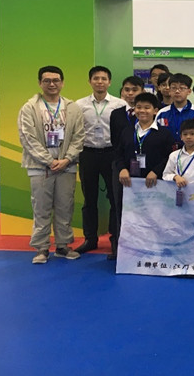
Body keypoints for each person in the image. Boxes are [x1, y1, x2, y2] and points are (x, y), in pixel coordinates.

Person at [19, 66, 85, 264]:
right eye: (47, 80)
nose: (52, 84)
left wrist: (67, 159)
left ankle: (63, 246)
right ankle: (41, 248)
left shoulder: (72, 108)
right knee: (41, 208)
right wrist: (49, 160)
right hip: (40, 167)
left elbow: (79, 136)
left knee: (65, 206)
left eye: (56, 80)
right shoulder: (29, 108)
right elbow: (27, 137)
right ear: (40, 83)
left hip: (67, 166)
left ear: (62, 83)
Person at [115, 92, 177, 259]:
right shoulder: (127, 131)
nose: (142, 111)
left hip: (155, 183)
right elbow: (118, 154)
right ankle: (129, 253)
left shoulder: (164, 133)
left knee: (155, 217)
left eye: (147, 107)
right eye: (139, 107)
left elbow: (170, 157)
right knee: (130, 217)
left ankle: (156, 251)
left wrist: (156, 171)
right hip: (130, 183)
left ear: (155, 110)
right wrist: (122, 169)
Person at [75, 66, 126, 254]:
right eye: (96, 78)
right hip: (88, 153)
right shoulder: (79, 105)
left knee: (115, 198)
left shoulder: (120, 104)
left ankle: (115, 240)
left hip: (111, 154)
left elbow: (123, 132)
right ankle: (90, 239)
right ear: (90, 81)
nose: (100, 82)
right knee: (89, 199)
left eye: (104, 78)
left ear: (109, 82)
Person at [109, 75, 145, 260]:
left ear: (142, 91)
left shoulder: (150, 112)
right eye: (127, 90)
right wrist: (121, 167)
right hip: (122, 166)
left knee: (145, 207)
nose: (130, 93)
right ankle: (118, 248)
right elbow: (115, 144)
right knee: (119, 206)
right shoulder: (116, 114)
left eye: (135, 90)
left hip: (145, 168)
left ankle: (144, 247)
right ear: (122, 92)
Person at [155, 73, 194, 148]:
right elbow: (156, 138)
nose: (177, 91)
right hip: (167, 154)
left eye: (182, 88)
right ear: (169, 90)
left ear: (189, 91)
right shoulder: (162, 114)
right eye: (174, 88)